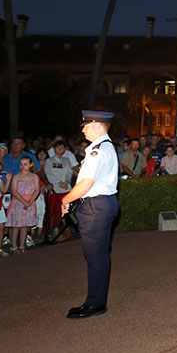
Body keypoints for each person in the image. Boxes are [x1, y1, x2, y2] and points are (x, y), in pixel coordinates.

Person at [62, 110, 120, 319]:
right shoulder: (104, 147)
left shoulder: (97, 150)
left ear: (97, 125)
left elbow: (87, 183)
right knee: (99, 255)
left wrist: (65, 199)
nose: (83, 129)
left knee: (96, 256)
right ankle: (96, 301)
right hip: (103, 204)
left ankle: (95, 304)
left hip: (96, 207)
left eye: (86, 126)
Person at [7, 156, 40, 252]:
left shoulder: (34, 176)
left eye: (25, 164)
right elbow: (14, 191)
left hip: (30, 201)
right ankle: (13, 246)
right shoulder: (17, 176)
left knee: (25, 225)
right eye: (21, 164)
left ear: (31, 165)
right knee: (16, 225)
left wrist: (30, 201)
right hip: (18, 202)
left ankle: (22, 245)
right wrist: (24, 201)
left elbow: (37, 190)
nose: (22, 166)